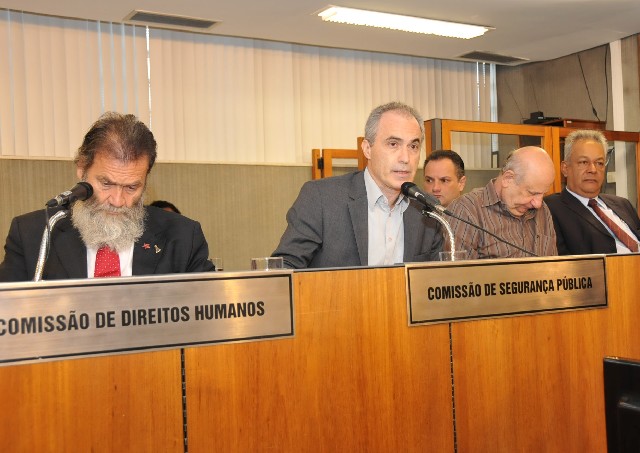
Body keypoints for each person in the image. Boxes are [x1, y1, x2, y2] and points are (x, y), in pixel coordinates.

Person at [0, 112, 214, 282]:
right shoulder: (33, 234)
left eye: (131, 187)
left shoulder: (183, 236)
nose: (118, 201)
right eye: (106, 184)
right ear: (82, 168)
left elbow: (209, 313)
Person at [272, 101, 443, 268]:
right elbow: (284, 268)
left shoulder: (427, 210)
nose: (405, 158)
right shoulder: (321, 199)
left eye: (413, 146)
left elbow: (436, 279)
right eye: (393, 144)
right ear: (367, 149)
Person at [445, 146, 557, 259]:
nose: (538, 204)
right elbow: (458, 269)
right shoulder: (465, 210)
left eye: (543, 194)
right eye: (532, 193)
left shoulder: (543, 209)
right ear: (508, 178)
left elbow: (553, 266)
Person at [545, 129, 640, 254]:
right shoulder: (550, 209)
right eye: (584, 162)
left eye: (599, 163)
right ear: (565, 168)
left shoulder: (623, 204)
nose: (593, 169)